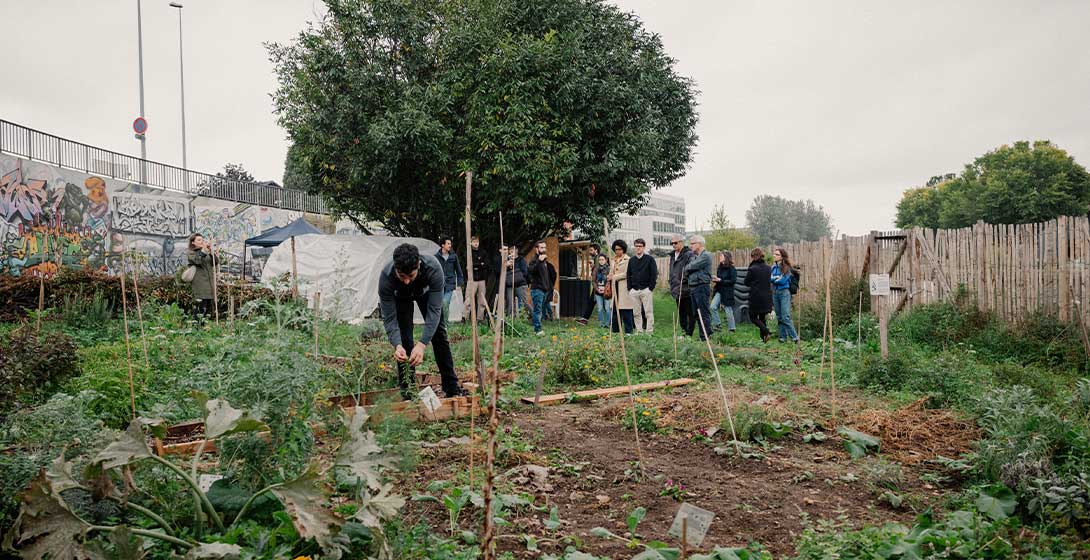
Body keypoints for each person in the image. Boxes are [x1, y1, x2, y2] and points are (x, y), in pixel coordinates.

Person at [378, 244, 465, 399]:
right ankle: (408, 392)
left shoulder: (433, 268)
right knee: (404, 341)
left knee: (439, 333)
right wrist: (396, 345)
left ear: (418, 265)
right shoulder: (386, 277)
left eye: (410, 276)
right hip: (401, 298)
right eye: (401, 276)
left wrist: (422, 344)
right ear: (395, 269)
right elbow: (390, 318)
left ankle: (451, 387)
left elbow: (434, 311)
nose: (406, 281)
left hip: (425, 293)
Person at [627, 238, 659, 334]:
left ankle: (649, 332)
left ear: (643, 247)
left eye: (640, 246)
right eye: (636, 246)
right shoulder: (631, 260)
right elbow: (628, 274)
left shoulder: (650, 259)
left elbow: (654, 274)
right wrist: (630, 288)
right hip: (634, 290)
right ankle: (639, 331)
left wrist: (650, 288)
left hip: (646, 290)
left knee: (648, 312)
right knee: (636, 313)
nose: (638, 248)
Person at [685, 235, 714, 340]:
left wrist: (690, 268)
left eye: (692, 243)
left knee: (704, 312)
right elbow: (686, 269)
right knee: (697, 314)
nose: (690, 246)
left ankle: (706, 336)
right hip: (693, 287)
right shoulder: (695, 257)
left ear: (700, 244)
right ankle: (703, 335)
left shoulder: (706, 256)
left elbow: (690, 267)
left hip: (701, 287)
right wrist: (689, 268)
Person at [771, 247, 800, 343]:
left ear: (782, 257)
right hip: (775, 293)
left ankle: (795, 338)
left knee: (785, 317)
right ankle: (783, 338)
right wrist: (776, 278)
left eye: (777, 254)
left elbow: (783, 281)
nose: (774, 256)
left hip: (784, 293)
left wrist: (775, 279)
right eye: (774, 254)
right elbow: (770, 279)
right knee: (779, 316)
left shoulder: (787, 268)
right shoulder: (773, 267)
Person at [744, 247, 773, 343]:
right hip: (767, 296)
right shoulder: (768, 268)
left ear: (753, 257)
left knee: (752, 317)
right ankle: (764, 339)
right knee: (762, 317)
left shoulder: (752, 269)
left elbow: (746, 282)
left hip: (756, 296)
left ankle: (767, 332)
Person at [669, 235, 694, 337]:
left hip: (686, 288)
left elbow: (689, 269)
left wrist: (683, 281)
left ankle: (689, 334)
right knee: (681, 313)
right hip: (676, 288)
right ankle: (684, 333)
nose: (673, 245)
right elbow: (672, 271)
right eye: (672, 243)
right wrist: (671, 282)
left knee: (690, 313)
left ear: (682, 242)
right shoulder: (672, 255)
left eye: (675, 243)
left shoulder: (688, 254)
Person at [187, 233, 217, 321]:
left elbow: (216, 262)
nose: (202, 242)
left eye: (202, 240)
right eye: (199, 240)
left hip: (209, 285)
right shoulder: (191, 253)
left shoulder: (206, 253)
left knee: (207, 310)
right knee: (200, 309)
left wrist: (211, 252)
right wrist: (203, 251)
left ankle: (204, 328)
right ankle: (196, 328)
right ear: (193, 243)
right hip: (200, 286)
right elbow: (197, 261)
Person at [609, 239, 635, 334]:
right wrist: (609, 276)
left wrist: (614, 277)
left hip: (624, 289)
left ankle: (628, 333)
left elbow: (626, 274)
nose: (618, 251)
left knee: (626, 312)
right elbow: (611, 272)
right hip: (614, 288)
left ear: (623, 249)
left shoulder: (628, 260)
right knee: (615, 313)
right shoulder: (612, 260)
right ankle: (615, 333)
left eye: (620, 249)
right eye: (616, 249)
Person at [435, 237, 463, 320]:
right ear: (442, 245)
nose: (450, 245)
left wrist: (459, 284)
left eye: (450, 244)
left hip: (450, 284)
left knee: (445, 302)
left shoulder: (453, 256)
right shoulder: (436, 257)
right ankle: (440, 323)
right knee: (439, 305)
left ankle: (445, 324)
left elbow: (458, 270)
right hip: (439, 284)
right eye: (448, 244)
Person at [710, 252, 737, 333]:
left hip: (727, 292)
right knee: (712, 307)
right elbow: (720, 279)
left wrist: (721, 280)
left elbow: (733, 281)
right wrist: (715, 279)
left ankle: (732, 329)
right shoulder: (720, 267)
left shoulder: (732, 268)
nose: (720, 257)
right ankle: (718, 325)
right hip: (719, 291)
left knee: (728, 310)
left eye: (721, 256)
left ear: (726, 257)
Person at [528, 241, 551, 335]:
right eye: (541, 248)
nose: (544, 249)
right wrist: (539, 261)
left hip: (544, 289)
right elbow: (531, 271)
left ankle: (538, 328)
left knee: (541, 310)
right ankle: (538, 330)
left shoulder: (544, 260)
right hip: (537, 289)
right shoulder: (534, 260)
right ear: (536, 249)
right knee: (537, 310)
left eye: (544, 247)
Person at [465, 235, 490, 319]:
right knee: (468, 299)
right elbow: (469, 265)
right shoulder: (469, 253)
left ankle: (480, 318)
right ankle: (465, 317)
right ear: (471, 243)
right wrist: (480, 264)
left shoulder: (483, 252)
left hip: (482, 279)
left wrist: (476, 266)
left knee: (482, 300)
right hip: (472, 279)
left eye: (477, 242)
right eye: (474, 242)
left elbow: (486, 264)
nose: (476, 244)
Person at [576, 245, 601, 325]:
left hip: (599, 284)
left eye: (591, 250)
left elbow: (598, 271)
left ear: (596, 250)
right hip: (597, 283)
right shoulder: (596, 258)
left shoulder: (598, 258)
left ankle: (607, 322)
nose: (590, 252)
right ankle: (585, 319)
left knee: (602, 303)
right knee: (592, 302)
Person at [503, 246, 530, 315]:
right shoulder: (507, 260)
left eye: (513, 251)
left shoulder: (521, 260)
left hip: (520, 284)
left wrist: (516, 275)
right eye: (510, 252)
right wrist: (508, 265)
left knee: (523, 302)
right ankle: (509, 317)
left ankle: (526, 316)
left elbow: (525, 272)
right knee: (509, 301)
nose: (511, 253)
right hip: (510, 283)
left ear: (516, 251)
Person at [593, 253, 612, 328]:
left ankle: (607, 324)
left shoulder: (609, 269)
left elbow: (611, 280)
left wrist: (606, 288)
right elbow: (593, 281)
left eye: (602, 259)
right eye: (599, 259)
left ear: (606, 260)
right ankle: (601, 323)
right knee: (600, 308)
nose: (601, 261)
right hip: (598, 292)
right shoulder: (596, 269)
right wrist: (597, 289)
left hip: (607, 291)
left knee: (607, 308)